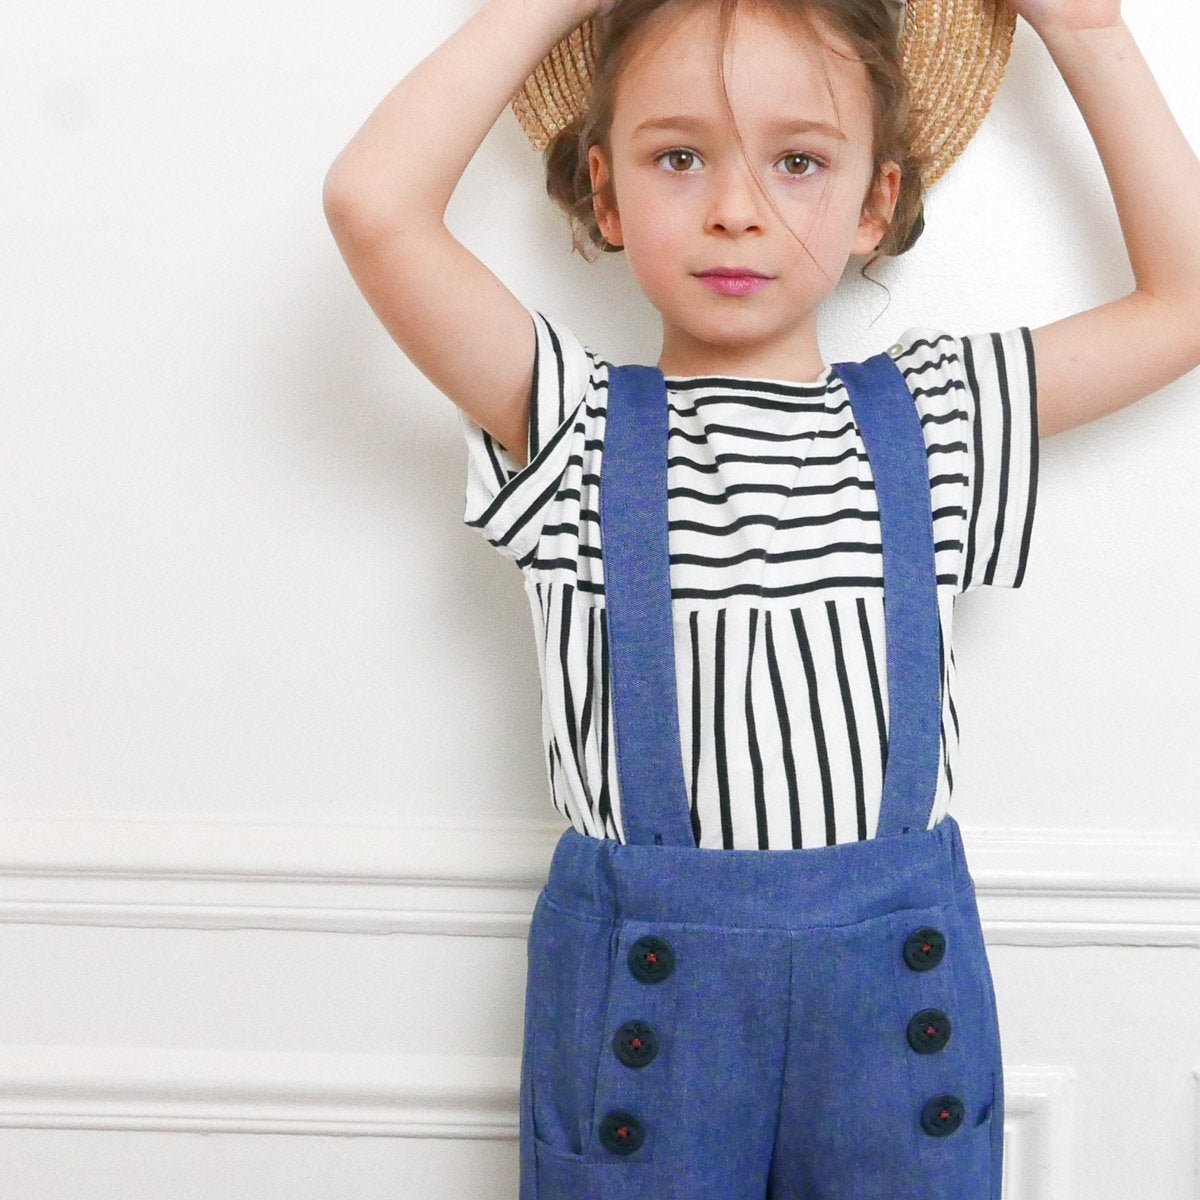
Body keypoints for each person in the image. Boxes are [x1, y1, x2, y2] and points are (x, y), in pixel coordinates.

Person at [322, 1, 1200, 1195]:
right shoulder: (568, 423)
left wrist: (1089, 33)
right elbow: (373, 204)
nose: (737, 209)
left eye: (798, 161)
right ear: (605, 191)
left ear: (876, 203)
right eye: (679, 156)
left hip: (894, 1004)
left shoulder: (940, 416)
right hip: (649, 1008)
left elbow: (1183, 302)